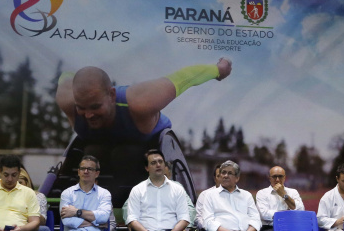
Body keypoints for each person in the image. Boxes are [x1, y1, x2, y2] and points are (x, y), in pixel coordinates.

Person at [50, 59, 233, 207]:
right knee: (93, 152)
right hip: (98, 146)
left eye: (95, 107)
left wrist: (218, 69)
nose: (88, 114)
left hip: (143, 145)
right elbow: (66, 76)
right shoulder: (67, 99)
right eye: (82, 108)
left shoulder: (141, 102)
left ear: (112, 95)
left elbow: (183, 78)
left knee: (123, 154)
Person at [201, 160, 271, 231]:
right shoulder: (210, 195)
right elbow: (207, 222)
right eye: (223, 173)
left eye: (229, 173)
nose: (225, 175)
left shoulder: (246, 195)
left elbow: (255, 219)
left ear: (237, 178)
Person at [255, 166, 304, 231]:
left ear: (285, 178)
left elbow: (300, 211)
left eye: (280, 176)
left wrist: (284, 195)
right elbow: (265, 214)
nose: (277, 180)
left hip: (291, 226)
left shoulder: (293, 192)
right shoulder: (262, 193)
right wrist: (288, 213)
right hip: (270, 228)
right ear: (269, 178)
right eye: (274, 176)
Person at [194, 163, 223, 231]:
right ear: (215, 178)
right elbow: (198, 218)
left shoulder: (238, 195)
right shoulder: (205, 195)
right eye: (219, 176)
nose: (222, 179)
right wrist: (211, 227)